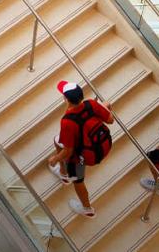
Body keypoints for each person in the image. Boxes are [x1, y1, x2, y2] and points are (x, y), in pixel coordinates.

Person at [46, 81, 113, 218]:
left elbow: (68, 151)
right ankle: (63, 174)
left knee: (78, 180)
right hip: (103, 146)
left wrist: (54, 159)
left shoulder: (67, 122)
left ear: (65, 99)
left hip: (83, 156)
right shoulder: (91, 104)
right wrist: (103, 107)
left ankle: (87, 208)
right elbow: (110, 120)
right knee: (57, 140)